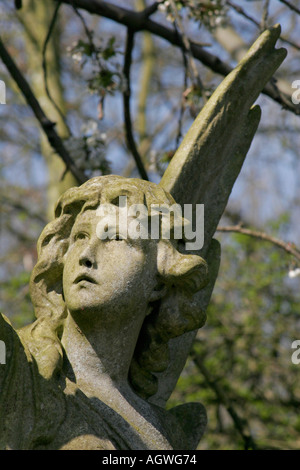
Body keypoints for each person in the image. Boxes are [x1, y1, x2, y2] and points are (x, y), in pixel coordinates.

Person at [0, 175, 208, 450]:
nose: (86, 253)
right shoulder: (20, 368)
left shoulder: (165, 433)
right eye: (80, 236)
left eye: (116, 238)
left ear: (158, 282)